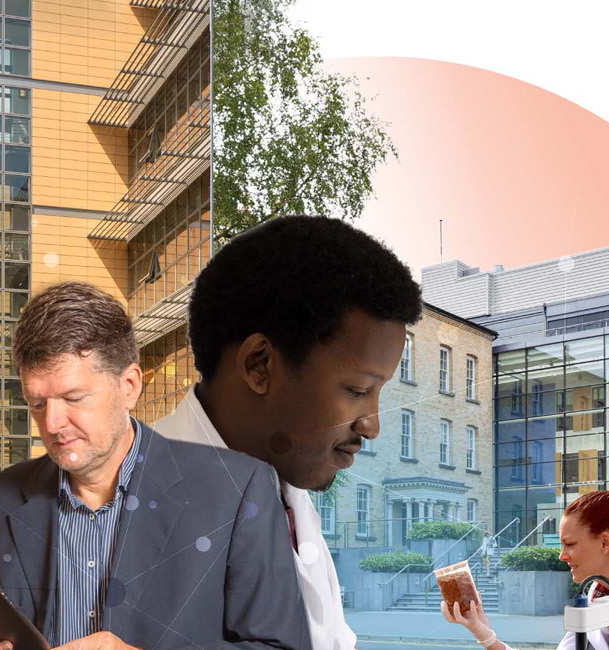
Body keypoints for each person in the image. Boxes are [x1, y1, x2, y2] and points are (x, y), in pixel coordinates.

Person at [0, 281, 310, 650]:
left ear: (129, 386)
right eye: (37, 403)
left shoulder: (238, 490)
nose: (52, 424)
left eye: (74, 397)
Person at [152, 216, 423, 650]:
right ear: (260, 365)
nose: (371, 425)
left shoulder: (287, 495)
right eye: (356, 390)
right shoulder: (118, 509)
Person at [444, 487, 609, 650]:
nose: (562, 556)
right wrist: (483, 632)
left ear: (605, 542)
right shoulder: (598, 596)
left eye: (569, 544)